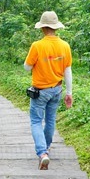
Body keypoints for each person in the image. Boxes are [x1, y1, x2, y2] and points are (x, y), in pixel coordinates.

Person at [24, 11, 73, 170]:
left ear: (43, 28)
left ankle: (42, 153)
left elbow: (27, 68)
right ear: (55, 27)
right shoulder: (65, 46)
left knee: (36, 121)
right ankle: (46, 148)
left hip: (40, 91)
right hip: (57, 89)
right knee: (50, 120)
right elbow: (68, 71)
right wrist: (69, 92)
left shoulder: (37, 46)